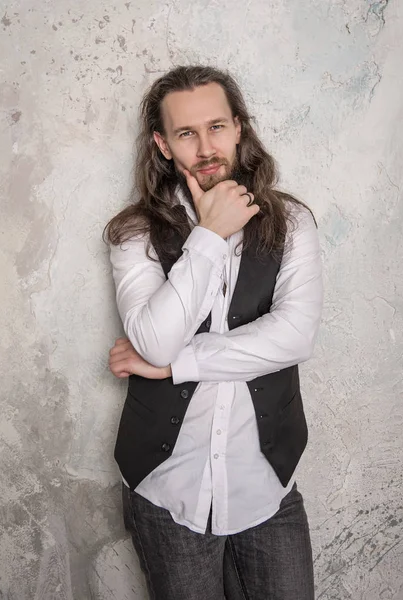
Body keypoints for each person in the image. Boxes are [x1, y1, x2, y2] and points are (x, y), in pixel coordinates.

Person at [105, 65, 323, 600]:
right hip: (167, 484)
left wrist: (178, 365)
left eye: (217, 127)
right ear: (162, 144)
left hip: (265, 483)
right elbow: (153, 340)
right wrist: (209, 233)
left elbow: (295, 336)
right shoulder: (134, 232)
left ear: (239, 128)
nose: (206, 147)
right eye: (186, 133)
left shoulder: (292, 223)